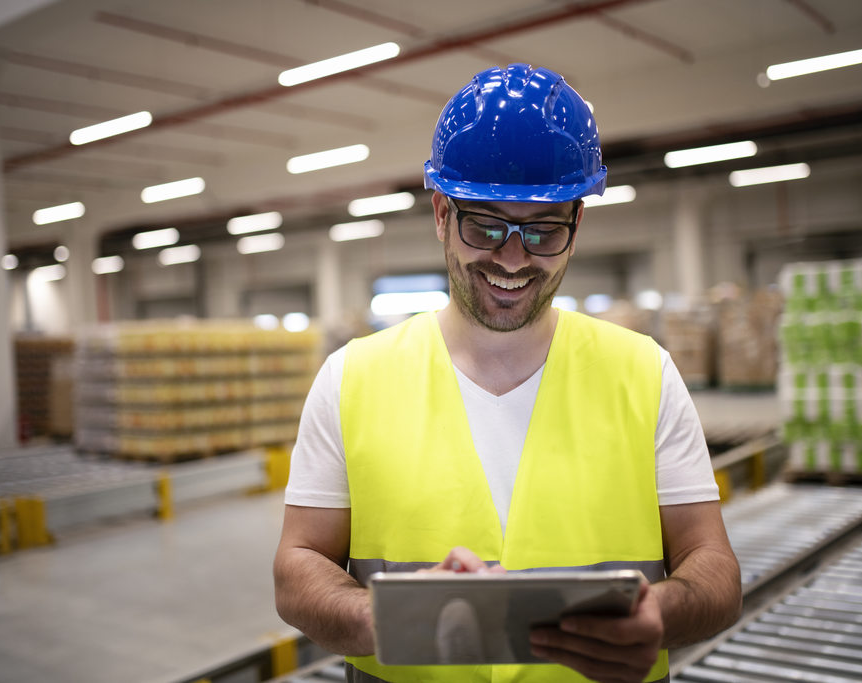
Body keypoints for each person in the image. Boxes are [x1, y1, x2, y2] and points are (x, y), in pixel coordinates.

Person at [274, 63, 741, 683]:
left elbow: (715, 568)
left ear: (577, 224)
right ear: (441, 215)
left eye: (543, 231)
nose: (514, 259)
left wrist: (663, 614)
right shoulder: (350, 379)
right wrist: (381, 619)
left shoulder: (645, 374)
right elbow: (297, 565)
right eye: (486, 226)